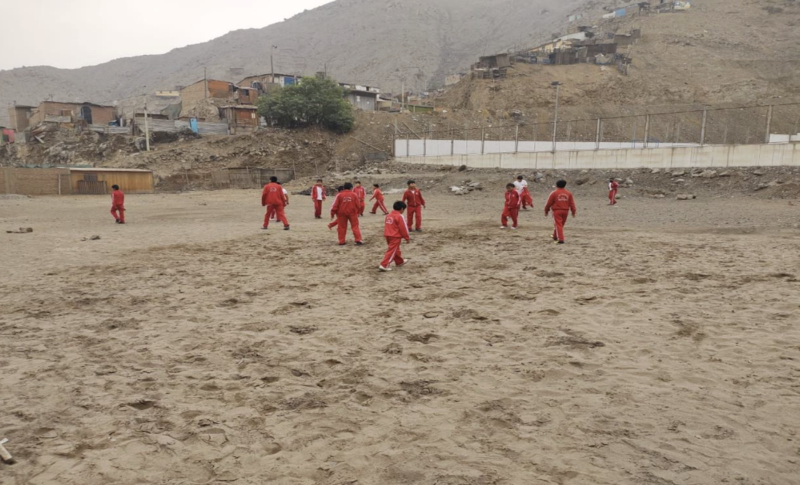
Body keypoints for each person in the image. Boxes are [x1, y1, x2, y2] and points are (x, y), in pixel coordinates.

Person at [379, 201, 411, 272]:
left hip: (387, 235)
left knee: (395, 249)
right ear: (402, 209)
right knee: (391, 250)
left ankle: (399, 262)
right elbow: (403, 228)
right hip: (395, 236)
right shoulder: (399, 216)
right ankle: (384, 265)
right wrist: (407, 237)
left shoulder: (388, 215)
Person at [544, 180, 577, 244]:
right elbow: (572, 203)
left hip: (556, 211)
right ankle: (555, 236)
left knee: (558, 224)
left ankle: (560, 239)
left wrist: (546, 210)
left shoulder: (554, 193)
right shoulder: (569, 193)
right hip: (565, 211)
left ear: (556, 185)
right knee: (560, 224)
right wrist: (573, 211)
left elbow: (548, 203)